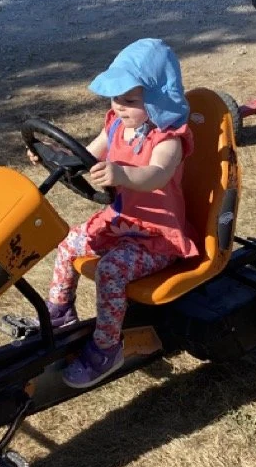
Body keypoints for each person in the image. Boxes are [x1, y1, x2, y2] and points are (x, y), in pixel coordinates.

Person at [30, 38, 198, 388]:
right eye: (115, 98)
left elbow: (157, 174)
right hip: (120, 223)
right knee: (69, 241)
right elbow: (85, 156)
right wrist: (50, 154)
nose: (119, 106)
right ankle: (60, 313)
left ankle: (107, 348)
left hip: (156, 236)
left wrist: (122, 175)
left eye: (130, 100)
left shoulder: (168, 140)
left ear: (157, 99)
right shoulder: (117, 126)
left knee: (111, 270)